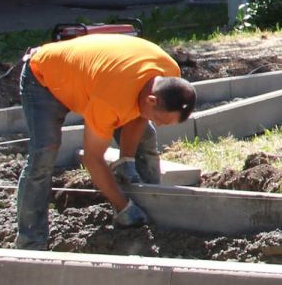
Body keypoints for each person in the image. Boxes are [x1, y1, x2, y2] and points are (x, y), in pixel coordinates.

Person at [15, 32, 196, 249]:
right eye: (161, 119)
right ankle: (30, 241)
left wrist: (126, 159)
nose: (161, 124)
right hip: (44, 79)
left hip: (94, 80)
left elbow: (141, 115)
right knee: (44, 154)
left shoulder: (168, 72)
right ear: (151, 100)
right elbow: (93, 157)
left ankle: (150, 213)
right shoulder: (110, 100)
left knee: (145, 139)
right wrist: (122, 206)